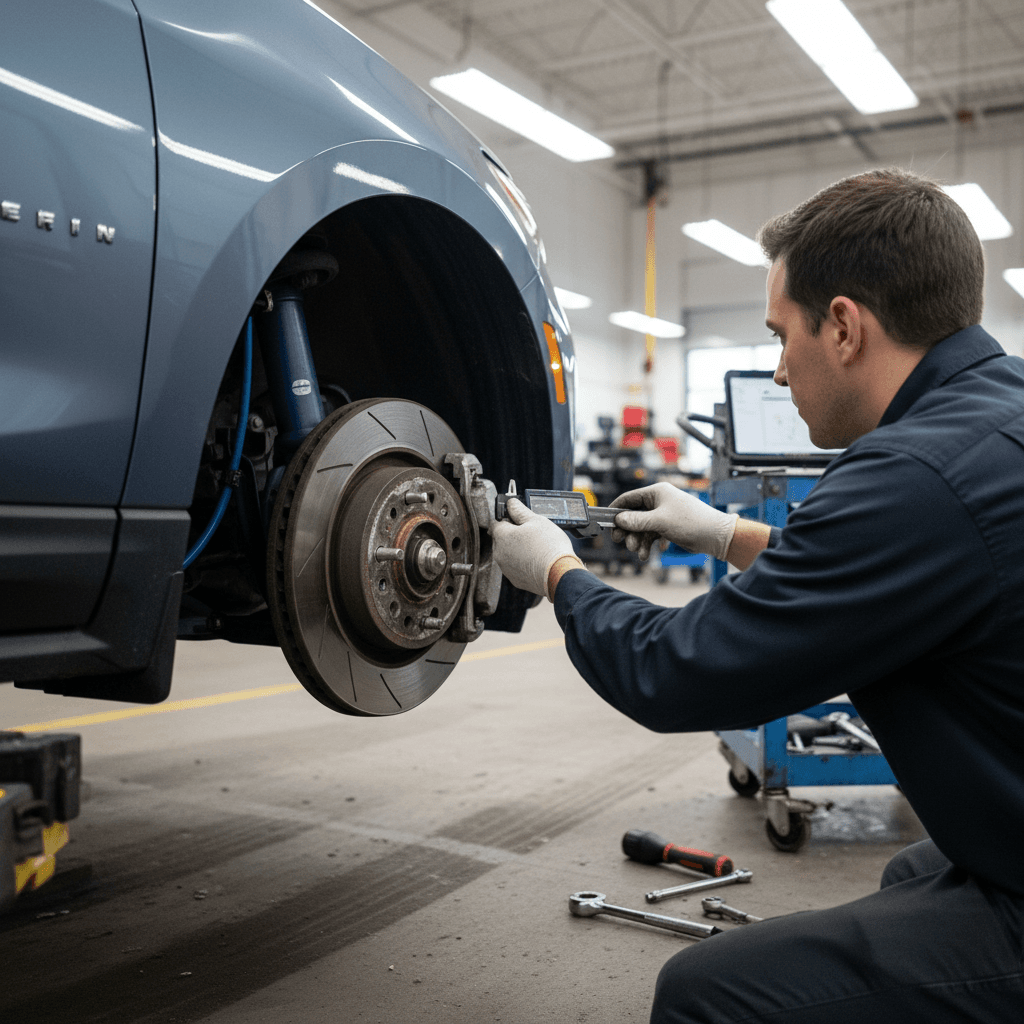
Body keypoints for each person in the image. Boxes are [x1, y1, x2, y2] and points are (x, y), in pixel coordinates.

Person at [491, 168, 1024, 1023]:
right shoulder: (998, 414)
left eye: (782, 336)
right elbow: (921, 574)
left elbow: (674, 672)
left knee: (709, 994)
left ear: (844, 327)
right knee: (913, 875)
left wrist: (558, 571)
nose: (777, 372)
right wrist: (721, 531)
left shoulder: (908, 476)